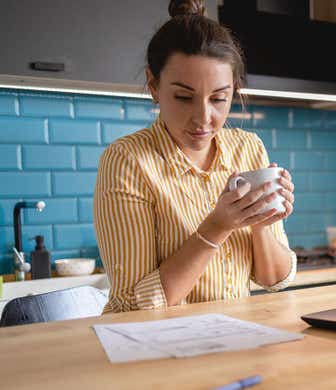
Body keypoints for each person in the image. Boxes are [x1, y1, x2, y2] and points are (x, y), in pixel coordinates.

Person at [93, 0, 296, 313]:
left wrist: (260, 223)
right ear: (153, 85)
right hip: (155, 350)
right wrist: (216, 227)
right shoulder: (128, 161)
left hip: (233, 342)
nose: (203, 118)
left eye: (218, 98)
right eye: (184, 97)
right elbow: (132, 304)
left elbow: (274, 279)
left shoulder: (248, 148)